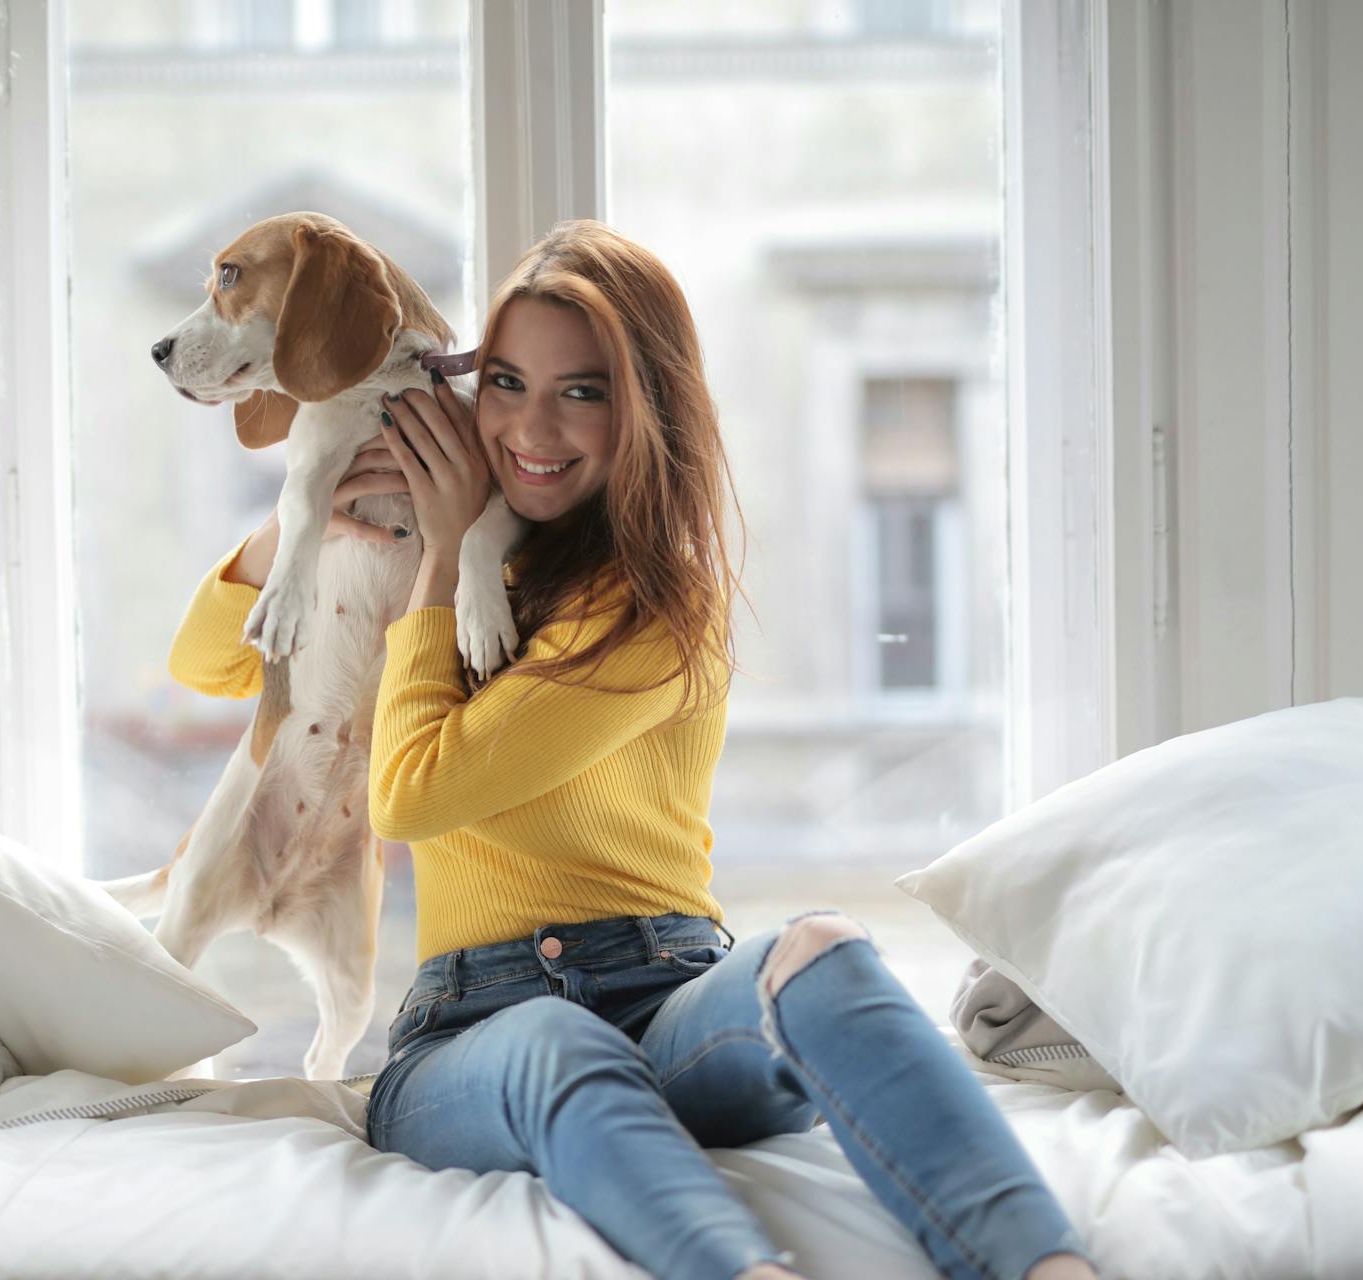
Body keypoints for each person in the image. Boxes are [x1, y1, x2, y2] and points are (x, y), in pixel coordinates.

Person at [177, 221, 1097, 1280]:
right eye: (509, 381)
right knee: (558, 1043)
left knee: (824, 944)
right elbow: (205, 661)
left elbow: (414, 791)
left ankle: (1047, 1267)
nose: (529, 425)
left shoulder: (650, 610)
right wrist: (314, 528)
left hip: (670, 994)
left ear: (644, 410)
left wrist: (435, 560)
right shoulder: (438, 553)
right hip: (472, 1034)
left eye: (583, 391)